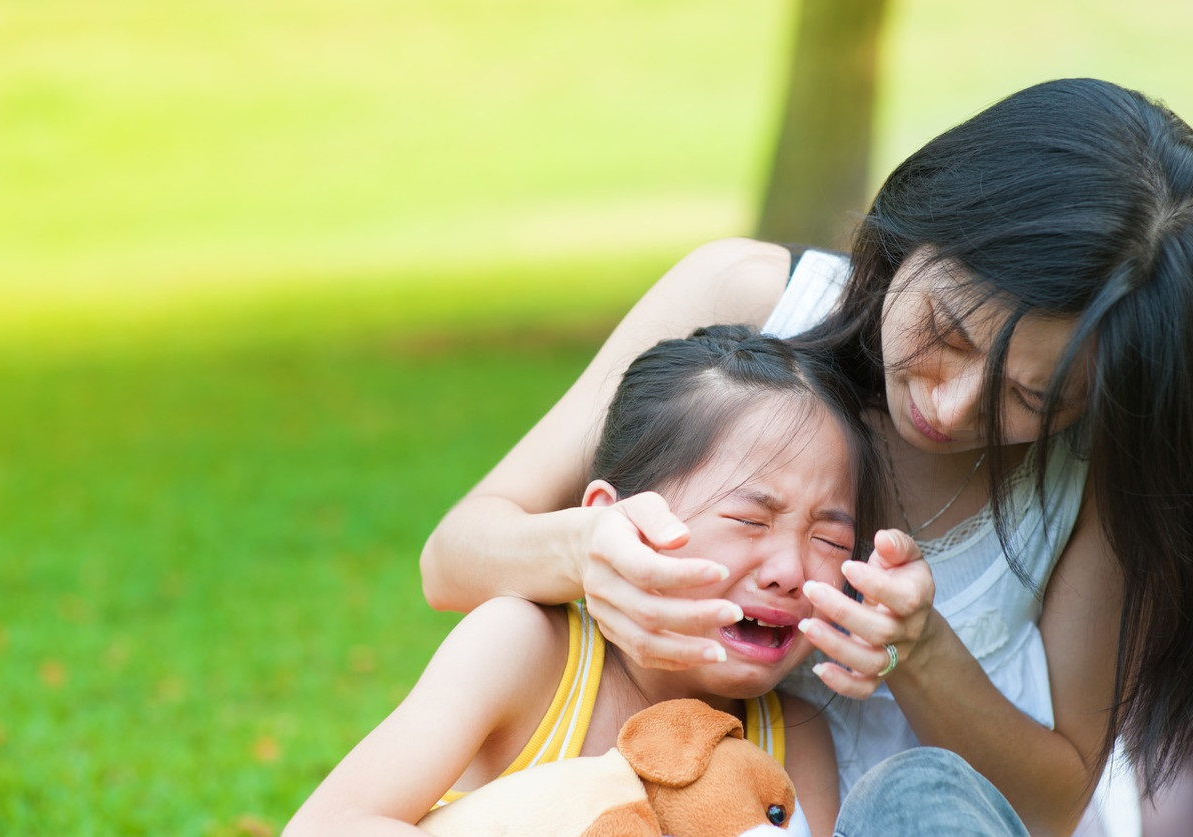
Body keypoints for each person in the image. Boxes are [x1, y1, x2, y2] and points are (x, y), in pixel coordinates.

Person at [420, 77, 1193, 835]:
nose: (949, 406)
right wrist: (589, 552)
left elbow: (1050, 807)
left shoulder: (1100, 473)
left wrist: (920, 654)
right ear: (917, 224)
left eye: (1030, 399)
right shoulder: (748, 302)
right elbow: (453, 557)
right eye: (948, 332)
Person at [286, 325, 894, 837]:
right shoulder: (524, 652)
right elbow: (325, 827)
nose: (789, 572)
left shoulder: (790, 740)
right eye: (748, 519)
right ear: (615, 519)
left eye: (830, 540)